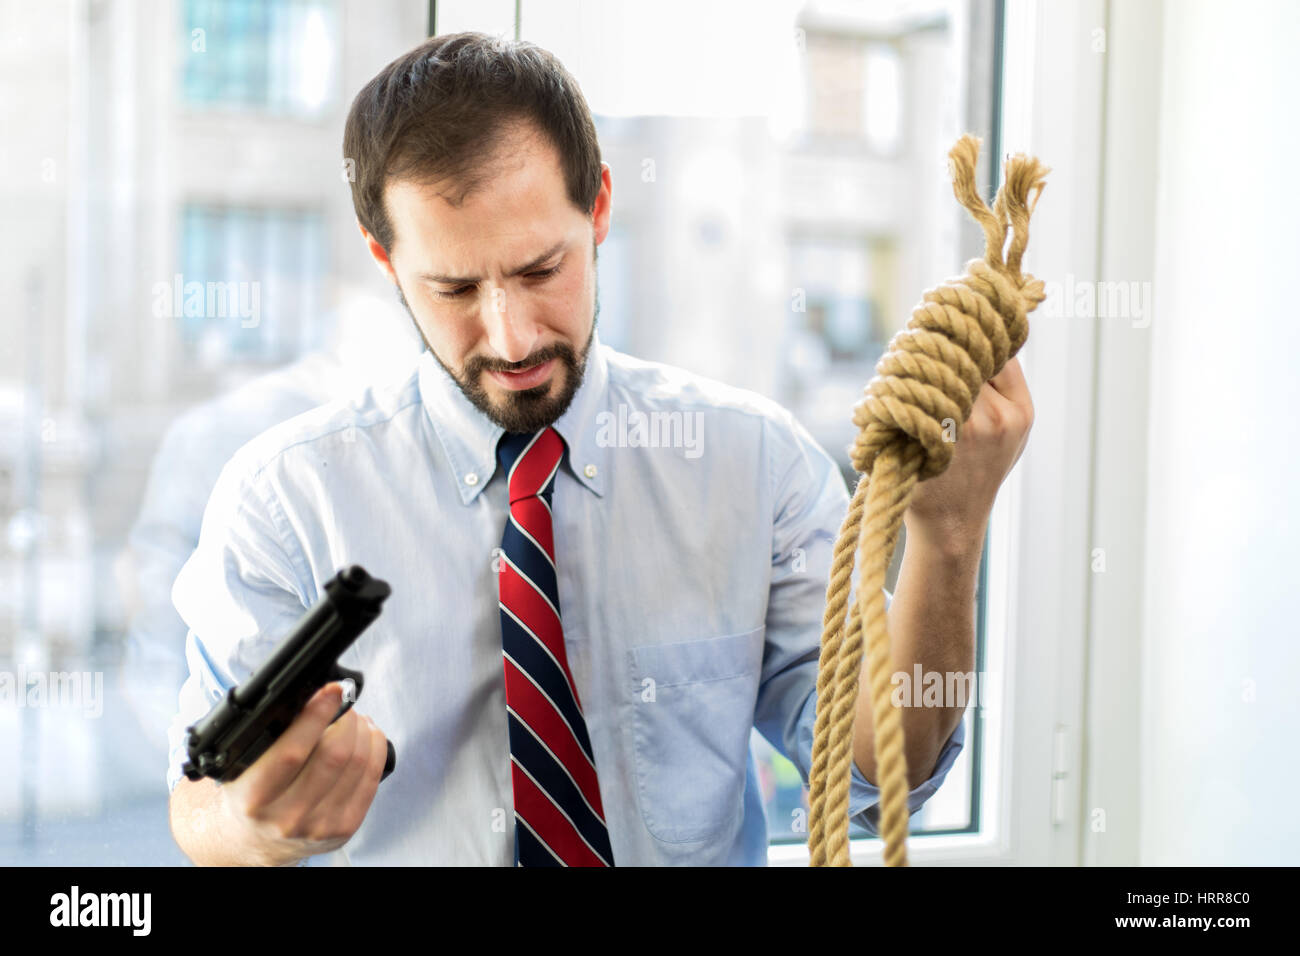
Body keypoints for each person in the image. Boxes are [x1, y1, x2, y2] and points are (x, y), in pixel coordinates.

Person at [166, 32, 1034, 866]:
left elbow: (884, 777)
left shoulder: (751, 464)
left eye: (542, 270)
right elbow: (198, 806)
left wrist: (949, 538)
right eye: (456, 288)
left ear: (602, 208)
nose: (509, 338)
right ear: (386, 263)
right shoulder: (285, 500)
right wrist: (254, 830)